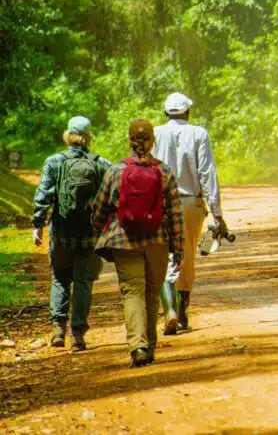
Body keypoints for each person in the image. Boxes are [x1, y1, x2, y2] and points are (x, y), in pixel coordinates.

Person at [92, 119, 184, 368]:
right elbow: (175, 213)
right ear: (152, 140)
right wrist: (178, 247)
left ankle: (138, 346)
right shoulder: (164, 171)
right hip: (157, 241)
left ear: (129, 140)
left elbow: (99, 208)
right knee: (152, 293)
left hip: (124, 241)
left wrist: (98, 229)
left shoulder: (116, 170)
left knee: (132, 292)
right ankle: (150, 345)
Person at [31, 116, 111, 351]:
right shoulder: (101, 164)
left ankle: (58, 329)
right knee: (83, 282)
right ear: (89, 136)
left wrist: (37, 224)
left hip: (61, 233)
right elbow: (108, 200)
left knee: (60, 279)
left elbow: (44, 195)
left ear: (68, 135)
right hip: (89, 235)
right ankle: (78, 335)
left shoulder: (54, 162)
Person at [152, 92, 226, 335]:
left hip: (161, 204)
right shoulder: (199, 133)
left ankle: (169, 310)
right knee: (187, 258)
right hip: (190, 203)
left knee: (164, 257)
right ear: (187, 112)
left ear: (166, 113)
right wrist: (217, 214)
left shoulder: (155, 133)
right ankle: (182, 316)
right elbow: (207, 173)